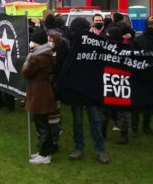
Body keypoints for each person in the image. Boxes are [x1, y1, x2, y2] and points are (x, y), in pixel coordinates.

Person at [65, 17, 110, 164]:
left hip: (91, 88)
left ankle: (100, 149)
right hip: (76, 88)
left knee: (95, 120)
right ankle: (79, 147)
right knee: (77, 120)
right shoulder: (69, 44)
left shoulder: (92, 42)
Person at [24, 31, 59, 164]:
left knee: (42, 125)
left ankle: (44, 154)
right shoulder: (47, 54)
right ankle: (43, 151)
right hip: (43, 91)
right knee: (43, 123)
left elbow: (26, 72)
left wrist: (26, 63)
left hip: (39, 93)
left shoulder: (37, 57)